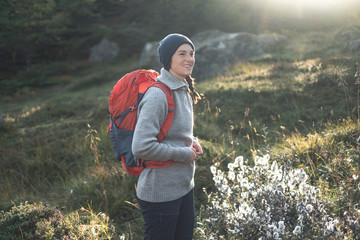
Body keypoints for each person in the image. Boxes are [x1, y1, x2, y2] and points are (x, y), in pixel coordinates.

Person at [132, 33, 203, 240]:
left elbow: (174, 132)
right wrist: (183, 153)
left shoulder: (183, 88)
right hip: (160, 193)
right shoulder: (157, 95)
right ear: (168, 58)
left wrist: (192, 142)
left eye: (191, 53)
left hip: (183, 186)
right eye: (181, 54)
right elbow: (141, 147)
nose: (189, 59)